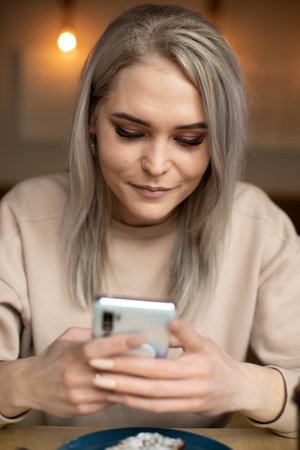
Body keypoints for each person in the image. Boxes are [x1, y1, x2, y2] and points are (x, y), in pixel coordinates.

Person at [0, 3, 299, 437]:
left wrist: (247, 386)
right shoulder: (22, 218)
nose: (157, 165)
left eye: (189, 139)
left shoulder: (260, 228)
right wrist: (21, 384)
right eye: (130, 132)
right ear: (91, 123)